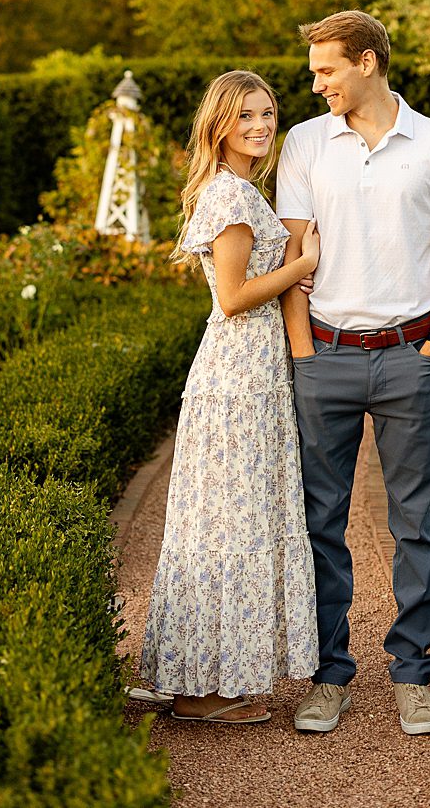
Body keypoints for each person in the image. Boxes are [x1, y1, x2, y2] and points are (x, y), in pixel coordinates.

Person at [275, 10, 430, 737]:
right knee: (318, 526)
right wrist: (303, 356)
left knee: (415, 525)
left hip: (408, 359)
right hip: (324, 358)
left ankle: (412, 674)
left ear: (367, 61)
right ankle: (330, 675)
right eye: (313, 72)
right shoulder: (305, 142)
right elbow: (289, 258)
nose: (316, 83)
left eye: (326, 69)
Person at [139, 69, 321, 723]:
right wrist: (301, 265)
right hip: (238, 380)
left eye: (267, 113)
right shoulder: (233, 197)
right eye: (245, 116)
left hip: (249, 376)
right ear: (219, 125)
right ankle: (205, 693)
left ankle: (202, 678)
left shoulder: (240, 188)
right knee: (231, 524)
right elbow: (235, 297)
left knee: (224, 522)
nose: (260, 126)